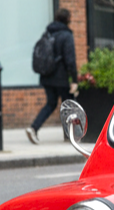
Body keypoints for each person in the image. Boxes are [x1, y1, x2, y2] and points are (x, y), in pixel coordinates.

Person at [27, 8, 78, 144]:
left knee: (51, 103)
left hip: (46, 76)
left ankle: (34, 128)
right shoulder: (66, 35)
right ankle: (69, 136)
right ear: (67, 19)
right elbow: (70, 60)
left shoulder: (48, 33)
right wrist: (74, 79)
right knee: (68, 105)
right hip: (61, 78)